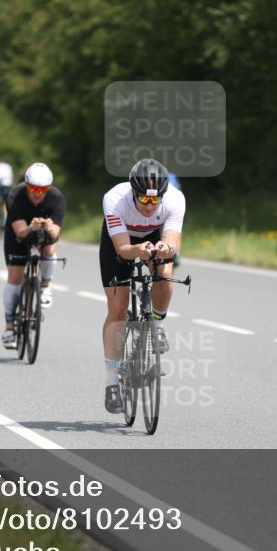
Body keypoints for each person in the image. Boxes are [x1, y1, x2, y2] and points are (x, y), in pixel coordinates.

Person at [99, 158, 185, 414]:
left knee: (165, 270)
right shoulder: (115, 199)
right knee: (118, 308)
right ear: (133, 192)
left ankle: (156, 325)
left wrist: (164, 249)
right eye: (144, 200)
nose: (150, 206)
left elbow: (172, 244)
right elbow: (124, 249)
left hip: (153, 235)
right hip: (122, 241)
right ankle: (112, 381)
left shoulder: (175, 199)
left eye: (155, 200)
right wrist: (138, 250)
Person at [0, 163, 65, 349]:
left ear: (49, 188)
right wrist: (31, 228)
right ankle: (10, 326)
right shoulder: (15, 196)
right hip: (18, 233)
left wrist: (48, 227)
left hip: (43, 231)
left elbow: (55, 236)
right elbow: (20, 232)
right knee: (15, 276)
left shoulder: (56, 199)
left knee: (50, 248)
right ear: (26, 186)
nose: (38, 193)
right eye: (33, 189)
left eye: (43, 189)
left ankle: (45, 285)